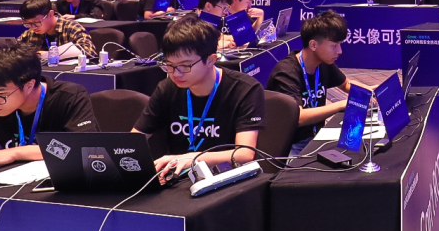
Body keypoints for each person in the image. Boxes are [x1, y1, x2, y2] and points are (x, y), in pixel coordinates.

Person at [132, 18, 262, 182]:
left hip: (228, 178)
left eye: (185, 66)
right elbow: (134, 140)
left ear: (211, 60)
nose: (176, 73)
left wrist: (193, 158)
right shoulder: (167, 88)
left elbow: (245, 154)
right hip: (177, 178)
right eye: (169, 65)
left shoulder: (245, 89)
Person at [0, 44, 97, 171]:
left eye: (0, 94)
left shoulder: (69, 96)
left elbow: (82, 146)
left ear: (28, 85)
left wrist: (15, 153)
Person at [265, 11, 351, 145]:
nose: (340, 51)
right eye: (334, 45)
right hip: (289, 144)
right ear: (313, 45)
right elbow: (298, 117)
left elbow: (345, 84)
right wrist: (340, 105)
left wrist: (369, 92)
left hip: (316, 136)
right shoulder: (286, 73)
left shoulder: (323, 62)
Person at [18, 0, 97, 58]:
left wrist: (50, 54)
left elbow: (89, 52)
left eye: (36, 22)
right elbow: (15, 52)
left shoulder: (72, 28)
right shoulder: (30, 33)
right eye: (28, 24)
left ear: (50, 14)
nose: (33, 27)